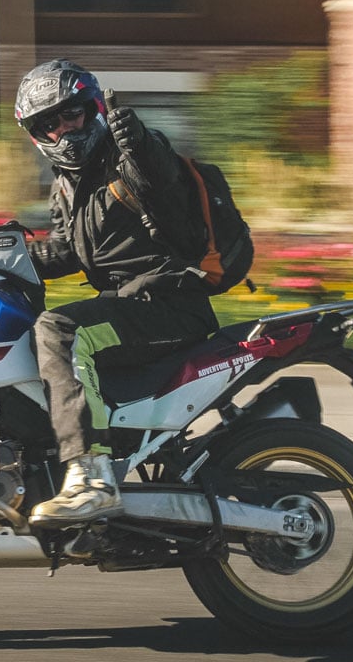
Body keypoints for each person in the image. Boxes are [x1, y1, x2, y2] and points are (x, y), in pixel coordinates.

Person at [15, 59, 219, 527]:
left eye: (73, 114)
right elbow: (66, 252)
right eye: (50, 122)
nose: (65, 128)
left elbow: (160, 180)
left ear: (94, 109)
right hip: (128, 306)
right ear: (37, 133)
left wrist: (140, 141)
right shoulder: (68, 185)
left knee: (60, 330)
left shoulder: (128, 155)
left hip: (169, 304)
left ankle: (92, 480)